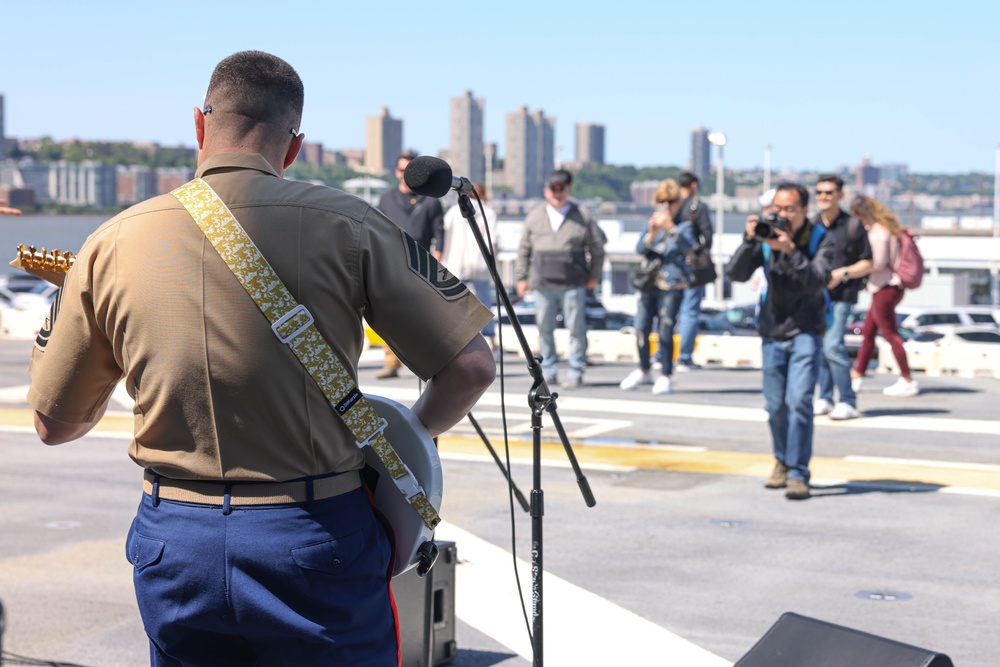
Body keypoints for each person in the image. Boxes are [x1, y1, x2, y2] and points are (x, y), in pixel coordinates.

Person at [27, 50, 496, 667]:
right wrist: (407, 435)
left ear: (199, 125)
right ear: (294, 146)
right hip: (313, 531)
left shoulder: (109, 242)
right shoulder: (348, 223)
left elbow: (54, 425)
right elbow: (471, 367)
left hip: (176, 540)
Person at [726, 183, 834, 500]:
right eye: (777, 208)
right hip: (772, 329)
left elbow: (819, 279)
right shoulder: (765, 236)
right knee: (775, 406)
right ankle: (782, 461)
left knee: (799, 400)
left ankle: (799, 472)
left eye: (790, 209)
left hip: (806, 330)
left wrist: (790, 250)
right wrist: (750, 241)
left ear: (804, 210)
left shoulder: (819, 238)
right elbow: (735, 274)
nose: (782, 215)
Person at [515, 169, 606, 389]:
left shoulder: (582, 215)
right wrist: (521, 277)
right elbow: (523, 249)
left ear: (568, 189)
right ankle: (549, 369)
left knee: (576, 328)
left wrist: (594, 275)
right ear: (546, 191)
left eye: (561, 188)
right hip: (542, 283)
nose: (557, 193)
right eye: (553, 188)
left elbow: (597, 248)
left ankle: (576, 369)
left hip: (573, 282)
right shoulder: (535, 217)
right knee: (544, 329)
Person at [619, 178, 697, 395]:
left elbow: (690, 248)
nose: (665, 205)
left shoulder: (685, 225)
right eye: (661, 201)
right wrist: (652, 233)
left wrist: (671, 229)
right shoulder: (650, 222)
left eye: (670, 201)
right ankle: (644, 369)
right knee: (641, 328)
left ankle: (665, 374)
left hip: (672, 283)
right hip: (649, 282)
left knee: (665, 329)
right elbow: (640, 249)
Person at [375, 150, 446, 379]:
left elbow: (439, 231)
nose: (404, 174)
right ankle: (391, 362)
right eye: (401, 170)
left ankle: (425, 361)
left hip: (422, 263)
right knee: (389, 316)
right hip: (391, 262)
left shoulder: (431, 201)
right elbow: (377, 229)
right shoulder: (386, 199)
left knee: (423, 316)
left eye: (409, 170)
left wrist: (437, 256)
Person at [811, 175, 872, 421]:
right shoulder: (811, 225)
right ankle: (825, 397)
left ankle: (848, 400)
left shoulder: (853, 226)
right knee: (821, 348)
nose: (823, 197)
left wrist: (843, 273)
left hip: (842, 294)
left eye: (829, 192)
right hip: (815, 295)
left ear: (840, 195)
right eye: (819, 192)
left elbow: (868, 263)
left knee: (833, 345)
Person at [849, 195, 919, 397]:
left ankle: (907, 378)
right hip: (888, 286)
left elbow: (877, 263)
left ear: (861, 214)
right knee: (869, 332)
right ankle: (857, 375)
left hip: (885, 287)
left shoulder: (878, 233)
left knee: (889, 333)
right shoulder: (888, 229)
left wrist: (853, 270)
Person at [441, 182, 499, 350]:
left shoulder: (452, 212)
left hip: (456, 264)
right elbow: (494, 241)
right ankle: (490, 339)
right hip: (480, 265)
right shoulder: (488, 212)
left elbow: (443, 236)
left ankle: (457, 340)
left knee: (456, 305)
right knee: (484, 304)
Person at [674, 171, 714, 373]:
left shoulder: (670, 206)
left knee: (669, 311)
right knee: (690, 311)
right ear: (694, 185)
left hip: (670, 266)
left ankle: (661, 354)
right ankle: (684, 357)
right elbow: (708, 237)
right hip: (691, 268)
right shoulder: (697, 207)